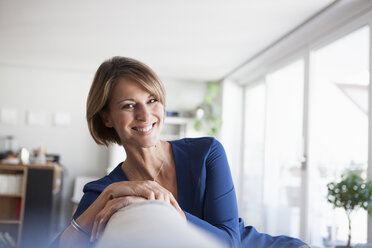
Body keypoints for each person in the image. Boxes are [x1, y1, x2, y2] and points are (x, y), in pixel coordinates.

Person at [56, 56, 308, 248]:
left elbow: (229, 242)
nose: (145, 115)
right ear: (107, 118)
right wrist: (108, 194)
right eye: (129, 105)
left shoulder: (206, 153)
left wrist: (163, 207)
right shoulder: (106, 192)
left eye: (152, 100)